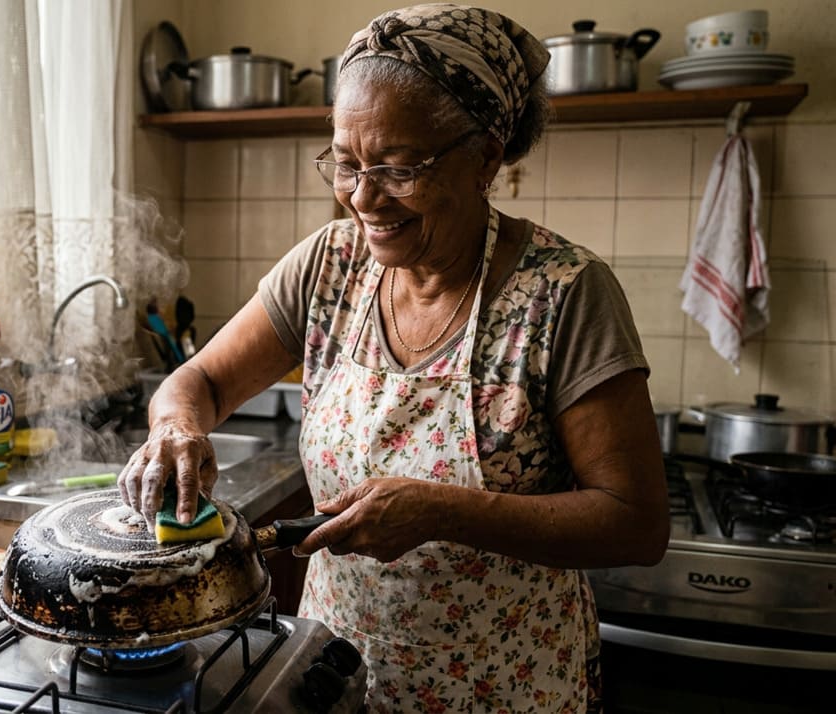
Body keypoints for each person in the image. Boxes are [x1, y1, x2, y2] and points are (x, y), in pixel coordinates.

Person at [119, 4, 670, 712]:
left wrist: (446, 513)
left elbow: (635, 524)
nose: (363, 197)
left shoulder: (563, 292)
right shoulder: (329, 265)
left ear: (486, 157)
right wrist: (176, 427)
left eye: (399, 168)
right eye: (346, 164)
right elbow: (201, 380)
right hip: (334, 674)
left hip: (505, 686)